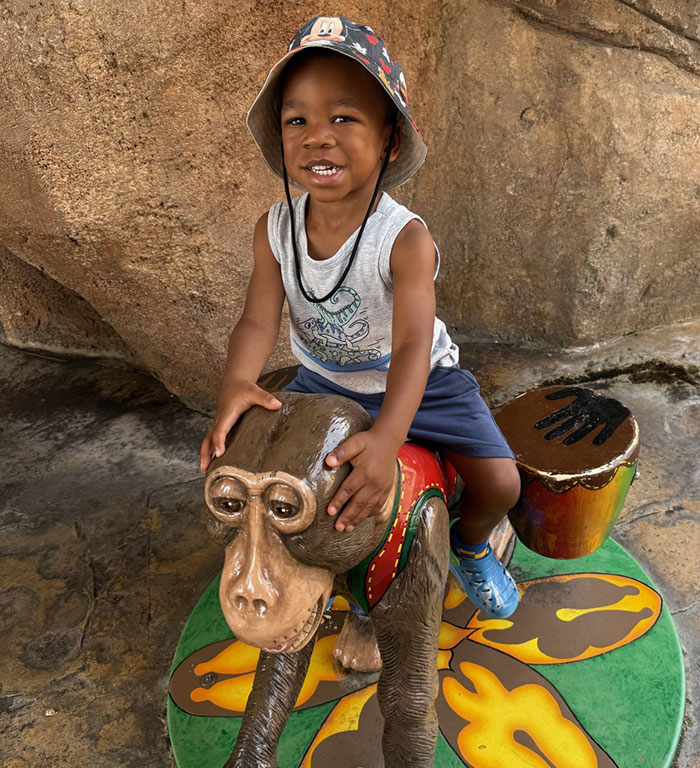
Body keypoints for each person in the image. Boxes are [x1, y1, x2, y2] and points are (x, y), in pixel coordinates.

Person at [199, 16, 521, 619]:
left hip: (422, 384)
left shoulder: (403, 240)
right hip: (322, 381)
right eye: (297, 120)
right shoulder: (274, 230)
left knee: (503, 484)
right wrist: (236, 384)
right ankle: (336, 583)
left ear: (390, 141)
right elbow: (256, 321)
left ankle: (472, 546)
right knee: (290, 483)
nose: (318, 136)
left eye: (342, 118)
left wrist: (389, 437)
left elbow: (411, 346)